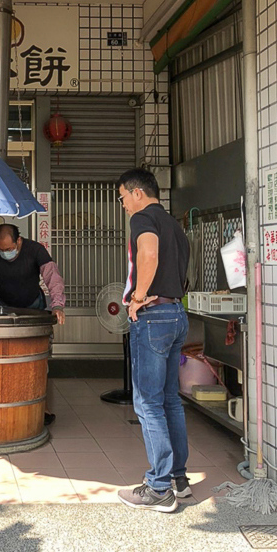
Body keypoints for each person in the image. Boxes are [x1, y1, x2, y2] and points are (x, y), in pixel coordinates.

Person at [115, 168, 191, 513]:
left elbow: (148, 254)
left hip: (154, 316)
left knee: (147, 402)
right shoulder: (175, 224)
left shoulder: (143, 218)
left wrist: (138, 297)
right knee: (170, 400)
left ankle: (158, 487)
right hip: (177, 315)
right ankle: (179, 479)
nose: (124, 205)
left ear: (137, 193)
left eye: (122, 198)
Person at [0, 223, 66, 425]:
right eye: (0, 249)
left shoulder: (35, 250)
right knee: (2, 357)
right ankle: (3, 402)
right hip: (3, 307)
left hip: (34, 307)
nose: (4, 253)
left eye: (8, 249)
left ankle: (42, 407)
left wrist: (57, 305)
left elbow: (53, 277)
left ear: (18, 241)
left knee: (38, 360)